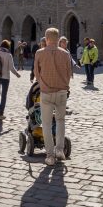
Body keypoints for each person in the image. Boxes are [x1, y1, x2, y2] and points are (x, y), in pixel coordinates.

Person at [33, 28, 72, 166]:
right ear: (57, 39)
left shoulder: (39, 53)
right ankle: (60, 150)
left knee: (47, 124)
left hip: (46, 92)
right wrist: (64, 85)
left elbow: (36, 73)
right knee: (61, 121)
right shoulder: (65, 53)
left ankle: (50, 156)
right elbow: (69, 73)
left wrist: (42, 84)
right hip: (61, 92)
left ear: (47, 38)